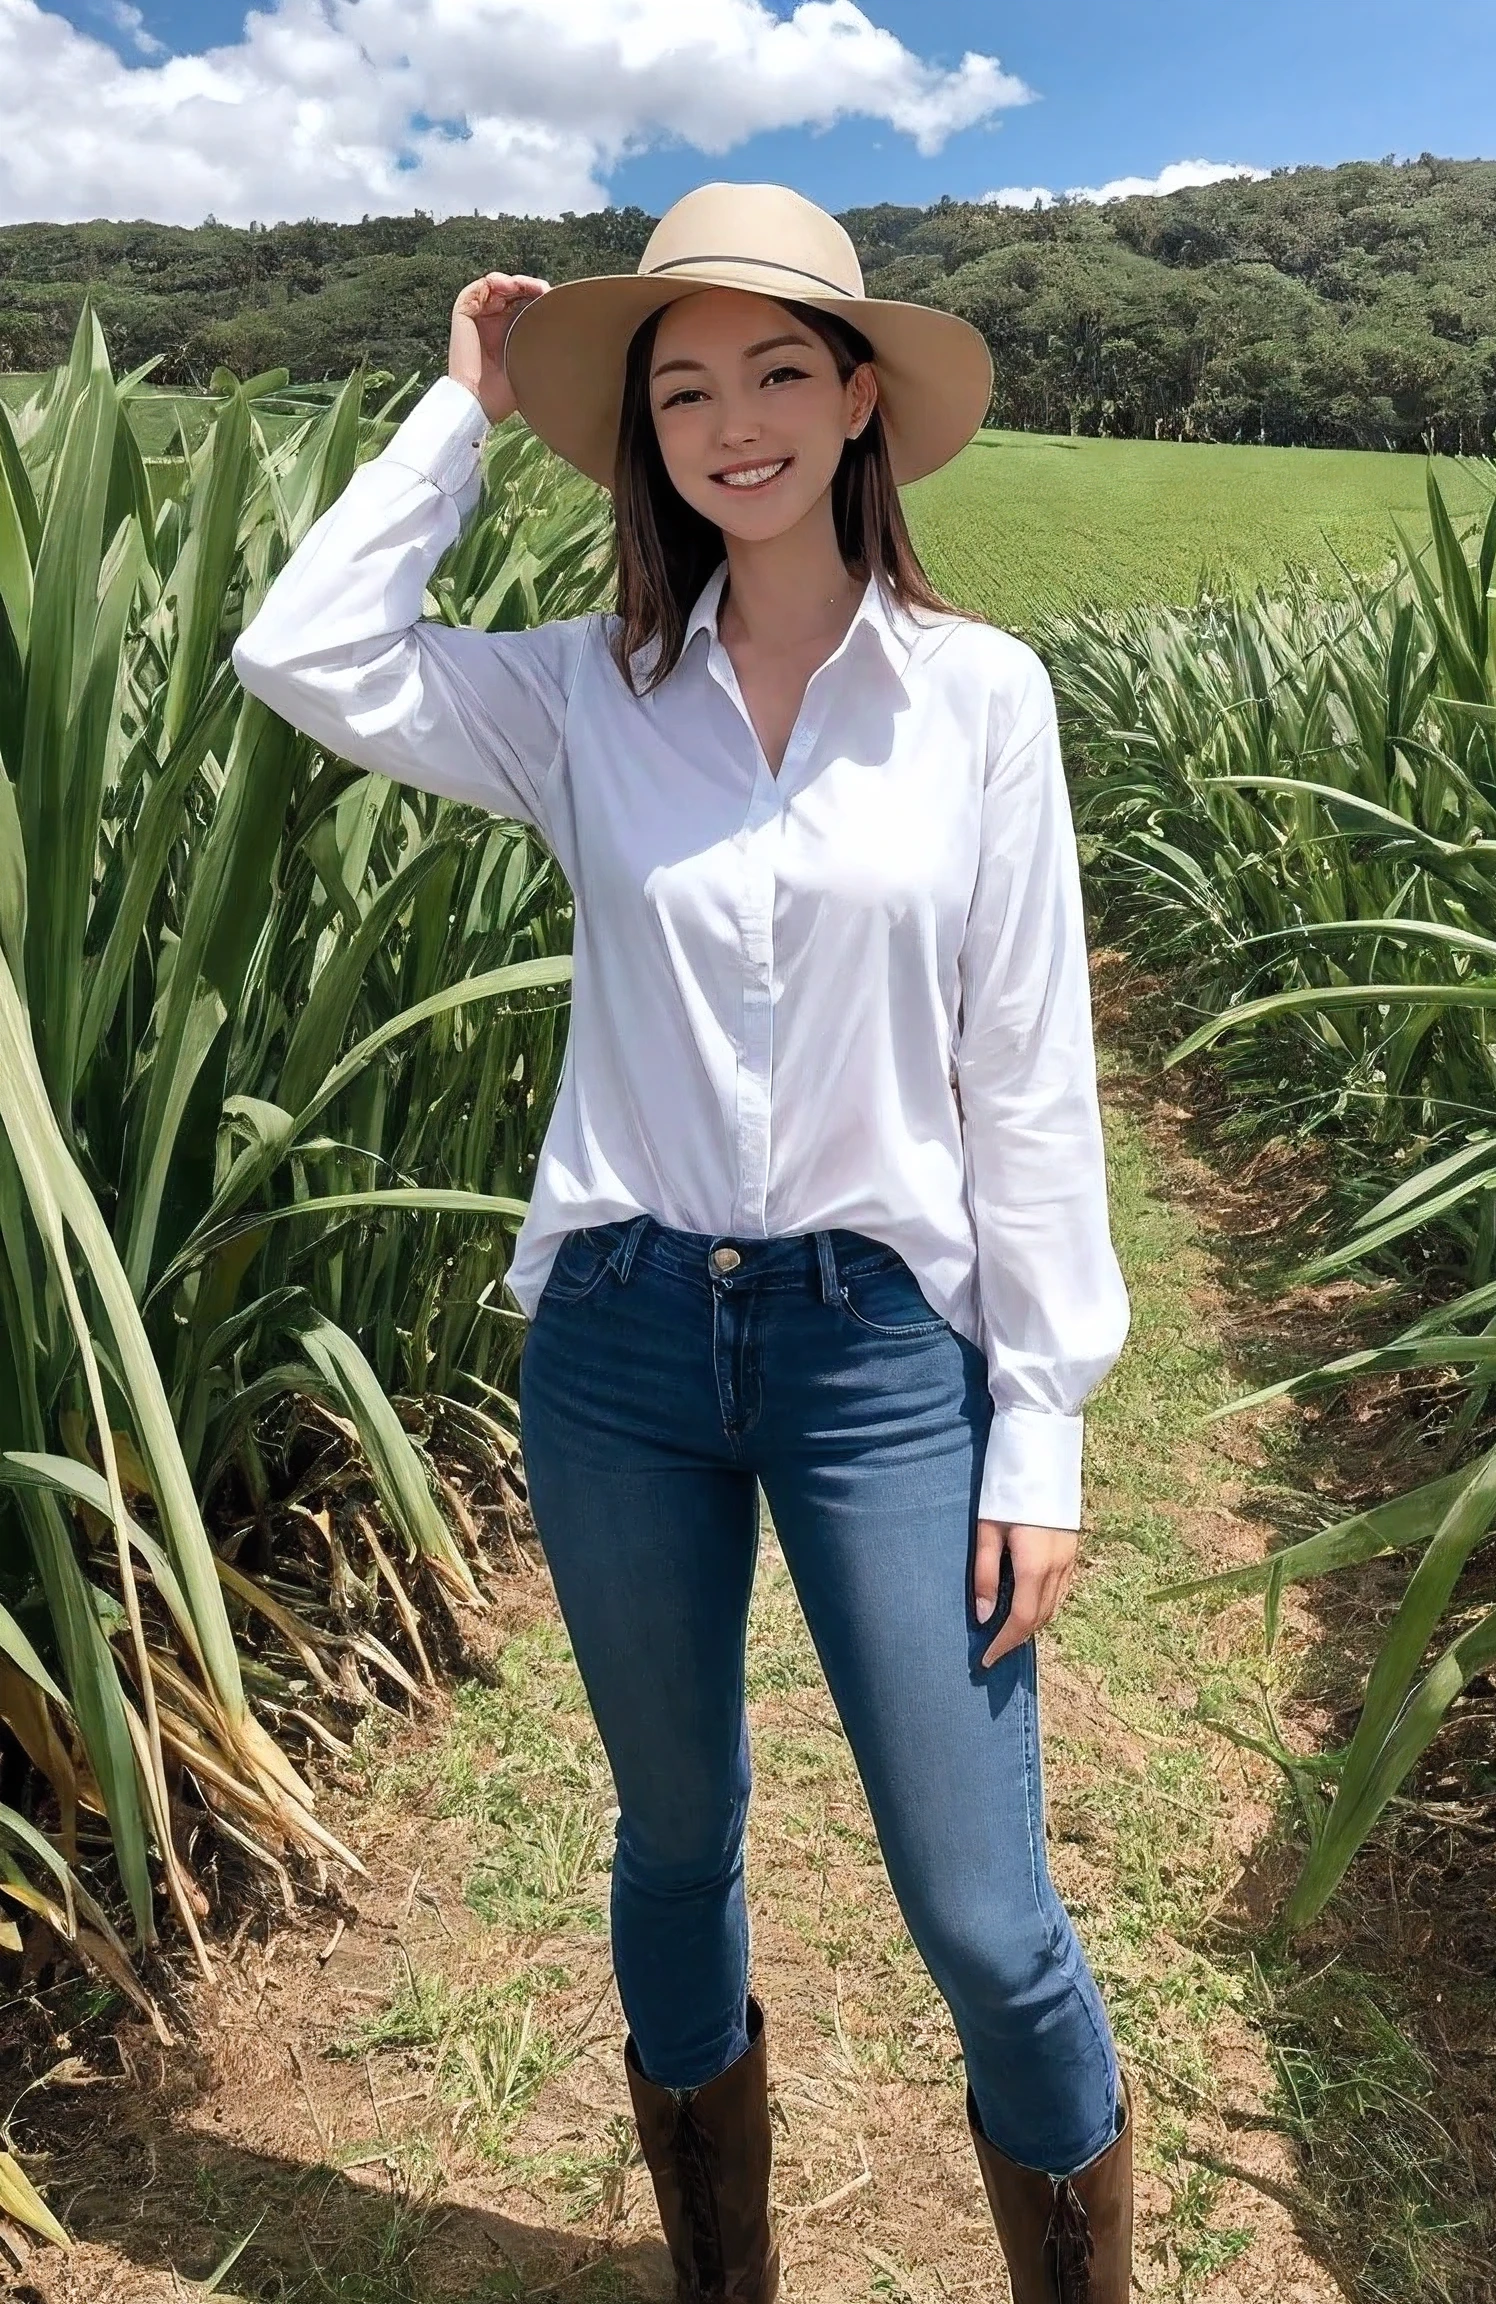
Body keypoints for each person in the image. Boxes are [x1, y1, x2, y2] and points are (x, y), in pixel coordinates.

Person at [232, 180, 1135, 2304]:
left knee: (984, 1912)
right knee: (674, 1842)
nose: (734, 421)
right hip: (623, 1345)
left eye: (777, 372)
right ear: (646, 433)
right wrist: (459, 411)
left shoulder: (978, 700)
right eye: (684, 386)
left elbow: (1029, 1071)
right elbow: (306, 653)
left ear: (856, 405)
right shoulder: (582, 697)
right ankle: (722, 2275)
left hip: (880, 1350)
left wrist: (1044, 1434)